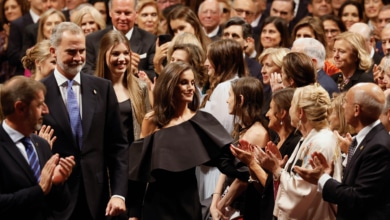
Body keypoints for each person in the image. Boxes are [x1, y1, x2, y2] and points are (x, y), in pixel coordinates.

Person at [127, 62, 244, 220]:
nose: (190, 88)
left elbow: (225, 160)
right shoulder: (153, 121)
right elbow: (140, 169)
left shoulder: (202, 120)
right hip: (156, 206)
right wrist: (134, 214)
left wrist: (251, 170)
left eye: (192, 82)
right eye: (184, 82)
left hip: (187, 205)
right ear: (170, 86)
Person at [42, 22, 128, 219]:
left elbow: (118, 147)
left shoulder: (103, 89)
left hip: (98, 199)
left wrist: (119, 194)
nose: (79, 57)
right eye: (71, 52)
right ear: (53, 51)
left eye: (82, 50)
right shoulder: (39, 92)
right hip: (56, 200)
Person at [295, 82, 390, 220]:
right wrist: (329, 175)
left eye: (346, 102)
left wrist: (323, 178)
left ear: (356, 110)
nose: (343, 106)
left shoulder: (378, 146)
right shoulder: (366, 139)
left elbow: (358, 198)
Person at [257, 84, 343, 219]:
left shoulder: (321, 142)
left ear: (300, 112)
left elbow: (303, 192)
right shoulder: (310, 138)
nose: (289, 110)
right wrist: (282, 167)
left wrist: (276, 170)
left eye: (291, 105)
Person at [0, 76, 75, 219]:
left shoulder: (42, 144)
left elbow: (60, 205)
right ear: (20, 108)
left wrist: (57, 183)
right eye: (40, 105)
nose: (46, 111)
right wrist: (39, 190)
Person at [95, 30, 150, 219]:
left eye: (125, 53)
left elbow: (147, 131)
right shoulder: (93, 89)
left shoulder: (140, 88)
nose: (122, 59)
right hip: (102, 167)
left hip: (132, 166)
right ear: (104, 56)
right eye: (115, 53)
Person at [230, 88, 302, 220]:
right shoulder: (276, 140)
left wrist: (252, 162)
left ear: (282, 113)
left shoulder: (294, 144)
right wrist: (251, 163)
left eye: (270, 108)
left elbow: (276, 188)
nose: (267, 114)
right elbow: (260, 185)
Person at [210, 77, 270, 220]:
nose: (227, 100)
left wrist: (221, 206)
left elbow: (243, 179)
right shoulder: (240, 127)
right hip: (228, 201)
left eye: (230, 95)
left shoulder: (257, 134)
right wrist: (215, 201)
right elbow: (227, 168)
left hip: (243, 207)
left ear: (241, 100)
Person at [84, 0, 156, 80]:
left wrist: (135, 71)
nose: (122, 18)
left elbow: (154, 74)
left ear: (136, 13)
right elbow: (86, 72)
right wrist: (112, 71)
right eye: (118, 12)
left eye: (127, 13)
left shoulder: (150, 40)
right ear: (110, 12)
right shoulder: (92, 40)